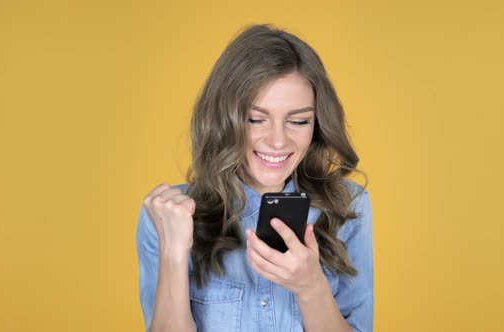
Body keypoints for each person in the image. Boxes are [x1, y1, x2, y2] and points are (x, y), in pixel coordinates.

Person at [136, 24, 373, 332]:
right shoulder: (167, 215)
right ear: (225, 119)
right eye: (256, 119)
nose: (278, 141)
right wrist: (173, 252)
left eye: (299, 121)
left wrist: (310, 287)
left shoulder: (347, 208)